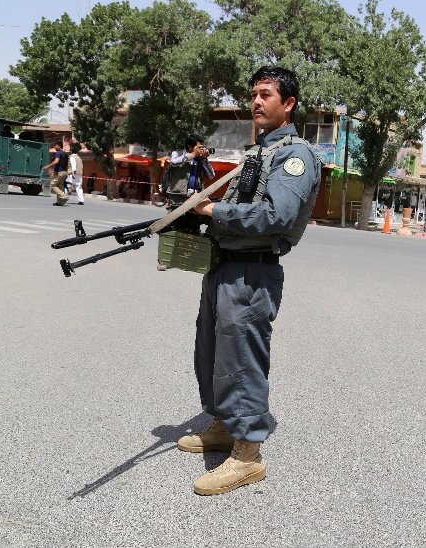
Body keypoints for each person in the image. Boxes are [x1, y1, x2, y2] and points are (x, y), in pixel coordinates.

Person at [178, 66, 321, 496]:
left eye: (265, 95)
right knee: (214, 351)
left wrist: (213, 212)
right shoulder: (259, 153)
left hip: (253, 270)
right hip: (225, 264)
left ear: (288, 103)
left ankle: (247, 455)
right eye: (253, 95)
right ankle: (223, 423)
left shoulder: (295, 157)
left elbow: (276, 215)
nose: (256, 102)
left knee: (242, 359)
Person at [157, 135, 215, 271]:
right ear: (190, 146)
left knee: (192, 228)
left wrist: (204, 158)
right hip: (177, 197)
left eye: (202, 147)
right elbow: (174, 162)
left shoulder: (200, 159)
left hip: (195, 197)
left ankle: (185, 260)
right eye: (199, 147)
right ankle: (164, 260)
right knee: (172, 227)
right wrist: (192, 154)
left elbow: (211, 175)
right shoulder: (178, 153)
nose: (202, 149)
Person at [43, 141, 69, 206]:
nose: (54, 146)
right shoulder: (65, 154)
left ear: (59, 146)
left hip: (59, 172)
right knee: (60, 187)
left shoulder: (58, 153)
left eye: (55, 145)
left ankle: (64, 197)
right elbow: (67, 165)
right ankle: (59, 202)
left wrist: (47, 167)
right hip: (63, 172)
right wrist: (66, 173)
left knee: (52, 185)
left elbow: (56, 161)